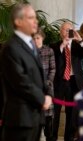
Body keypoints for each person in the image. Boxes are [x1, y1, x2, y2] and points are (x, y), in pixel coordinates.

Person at [0, 3, 52, 141]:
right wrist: (42, 99)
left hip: (35, 117)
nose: (36, 21)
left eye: (35, 17)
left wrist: (48, 94)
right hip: (20, 119)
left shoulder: (31, 44)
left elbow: (39, 75)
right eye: (30, 18)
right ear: (18, 21)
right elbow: (21, 81)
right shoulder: (11, 48)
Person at [50, 22, 83, 141]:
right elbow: (53, 58)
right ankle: (52, 138)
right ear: (60, 32)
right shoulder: (54, 46)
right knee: (55, 112)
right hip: (59, 82)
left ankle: (69, 137)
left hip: (74, 82)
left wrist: (80, 40)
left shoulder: (78, 46)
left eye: (70, 30)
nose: (67, 32)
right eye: (65, 30)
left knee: (72, 113)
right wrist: (62, 45)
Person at [32, 28, 55, 141]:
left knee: (48, 120)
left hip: (47, 88)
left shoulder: (49, 51)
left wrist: (47, 82)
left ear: (42, 38)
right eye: (34, 38)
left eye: (38, 38)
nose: (36, 40)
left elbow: (53, 69)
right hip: (32, 89)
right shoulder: (28, 51)